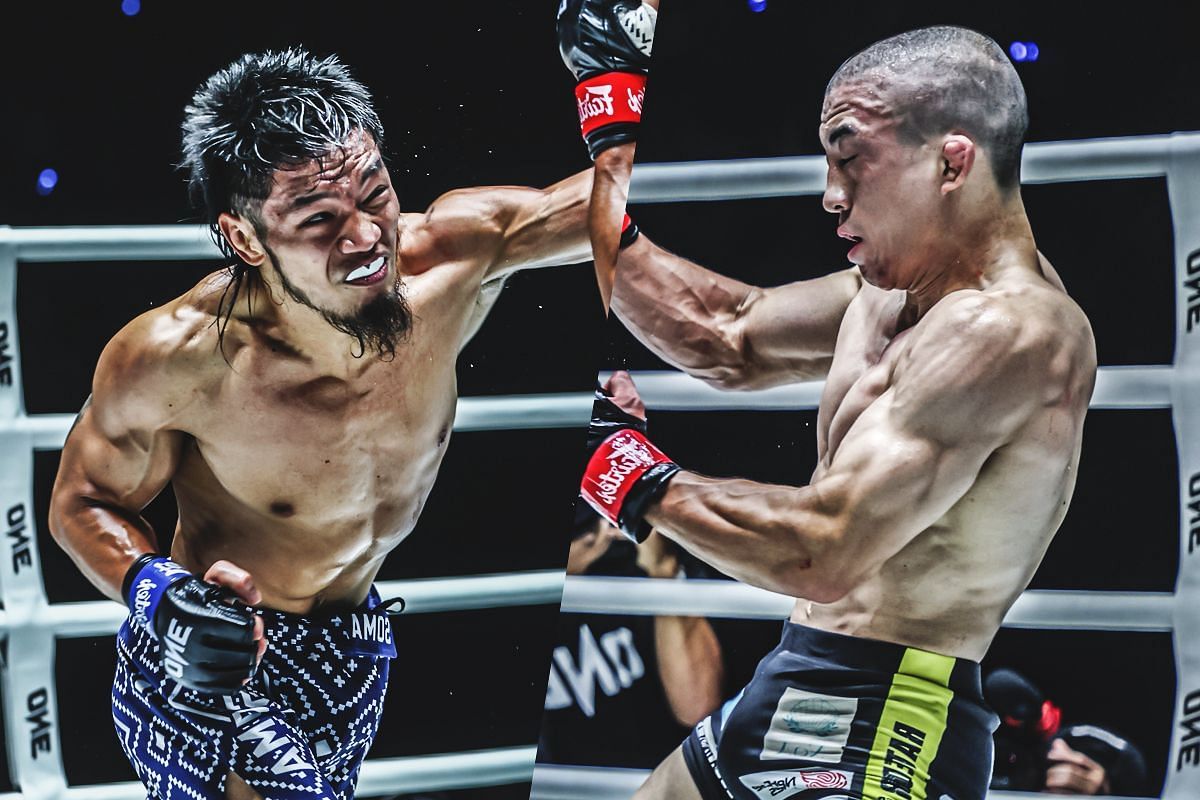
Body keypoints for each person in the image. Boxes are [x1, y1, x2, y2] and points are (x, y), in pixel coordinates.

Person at [48, 48, 596, 800]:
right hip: (216, 659)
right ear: (244, 238)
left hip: (354, 654)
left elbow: (613, 205)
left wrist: (617, 86)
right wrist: (155, 592)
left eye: (376, 195)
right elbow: (80, 501)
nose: (367, 237)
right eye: (319, 220)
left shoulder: (454, 259)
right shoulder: (179, 358)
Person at [577, 26, 1097, 800]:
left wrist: (630, 474)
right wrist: (607, 154)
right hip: (796, 672)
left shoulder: (1011, 330)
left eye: (851, 158)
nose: (830, 192)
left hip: (887, 719)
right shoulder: (889, 294)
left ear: (951, 162)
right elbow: (728, 335)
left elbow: (827, 549)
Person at [539, 501, 724, 768]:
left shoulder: (632, 560)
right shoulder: (505, 592)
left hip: (652, 775)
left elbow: (697, 706)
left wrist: (662, 574)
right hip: (559, 782)